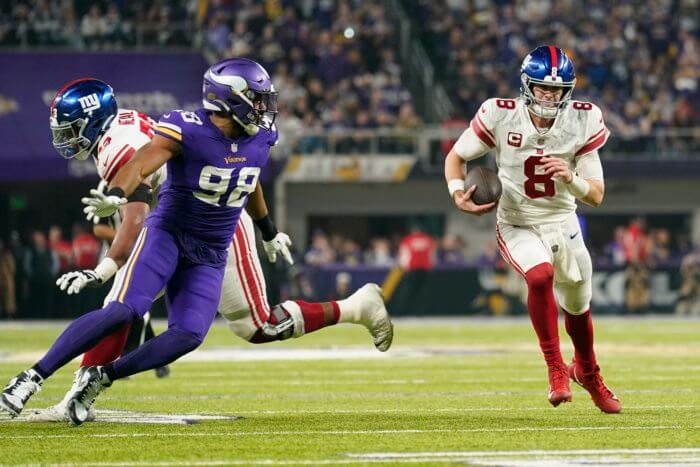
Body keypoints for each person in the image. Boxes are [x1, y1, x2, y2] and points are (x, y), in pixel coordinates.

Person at [2, 59, 392, 425]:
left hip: (217, 240)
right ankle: (39, 382)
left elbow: (248, 175)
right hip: (169, 230)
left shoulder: (258, 136)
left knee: (245, 328)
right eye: (256, 99)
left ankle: (355, 307)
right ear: (229, 100)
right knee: (122, 309)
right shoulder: (183, 128)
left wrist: (268, 230)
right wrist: (118, 195)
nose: (264, 108)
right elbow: (143, 164)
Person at [444, 46, 620, 413]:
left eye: (556, 89)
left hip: (563, 223)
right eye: (541, 87)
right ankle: (556, 368)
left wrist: (570, 177)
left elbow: (597, 196)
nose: (549, 95)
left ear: (568, 90)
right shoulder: (500, 114)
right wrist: (458, 193)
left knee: (578, 307)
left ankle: (587, 372)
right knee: (540, 276)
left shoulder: (583, 120)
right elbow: (457, 157)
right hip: (517, 221)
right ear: (526, 84)